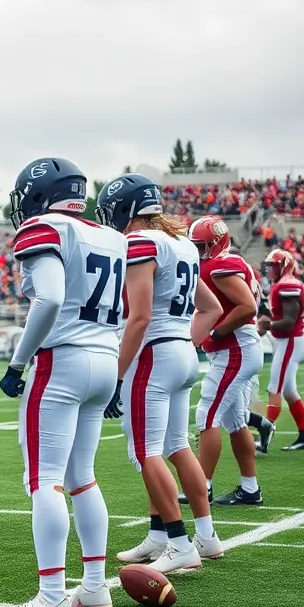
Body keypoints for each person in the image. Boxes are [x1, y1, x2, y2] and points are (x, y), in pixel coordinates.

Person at [0, 159, 121, 607]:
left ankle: (51, 595)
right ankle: (94, 588)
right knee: (82, 477)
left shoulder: (44, 227)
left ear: (37, 193)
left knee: (44, 479)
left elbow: (48, 299)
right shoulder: (113, 237)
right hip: (105, 358)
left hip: (62, 361)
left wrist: (17, 362)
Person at [99, 175, 225, 575]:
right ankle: (202, 536)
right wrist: (182, 342)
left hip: (153, 354)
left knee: (146, 452)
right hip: (181, 352)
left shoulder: (141, 242)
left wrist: (117, 377)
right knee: (176, 446)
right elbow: (212, 309)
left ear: (124, 208)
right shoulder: (182, 243)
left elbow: (139, 318)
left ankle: (179, 543)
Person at [187, 216, 265, 506]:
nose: (198, 252)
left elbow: (247, 307)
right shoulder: (229, 262)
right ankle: (250, 488)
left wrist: (215, 332)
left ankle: (202, 486)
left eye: (202, 246)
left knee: (206, 415)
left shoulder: (221, 265)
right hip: (238, 348)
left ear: (217, 243)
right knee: (236, 422)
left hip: (235, 348)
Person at [256, 249, 304, 451]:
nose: (269, 270)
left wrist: (268, 326)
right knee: (289, 391)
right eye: (268, 266)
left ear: (284, 266)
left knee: (275, 388)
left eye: (273, 266)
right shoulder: (283, 283)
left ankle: (265, 433)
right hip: (289, 341)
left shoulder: (288, 285)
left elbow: (289, 322)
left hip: (290, 341)